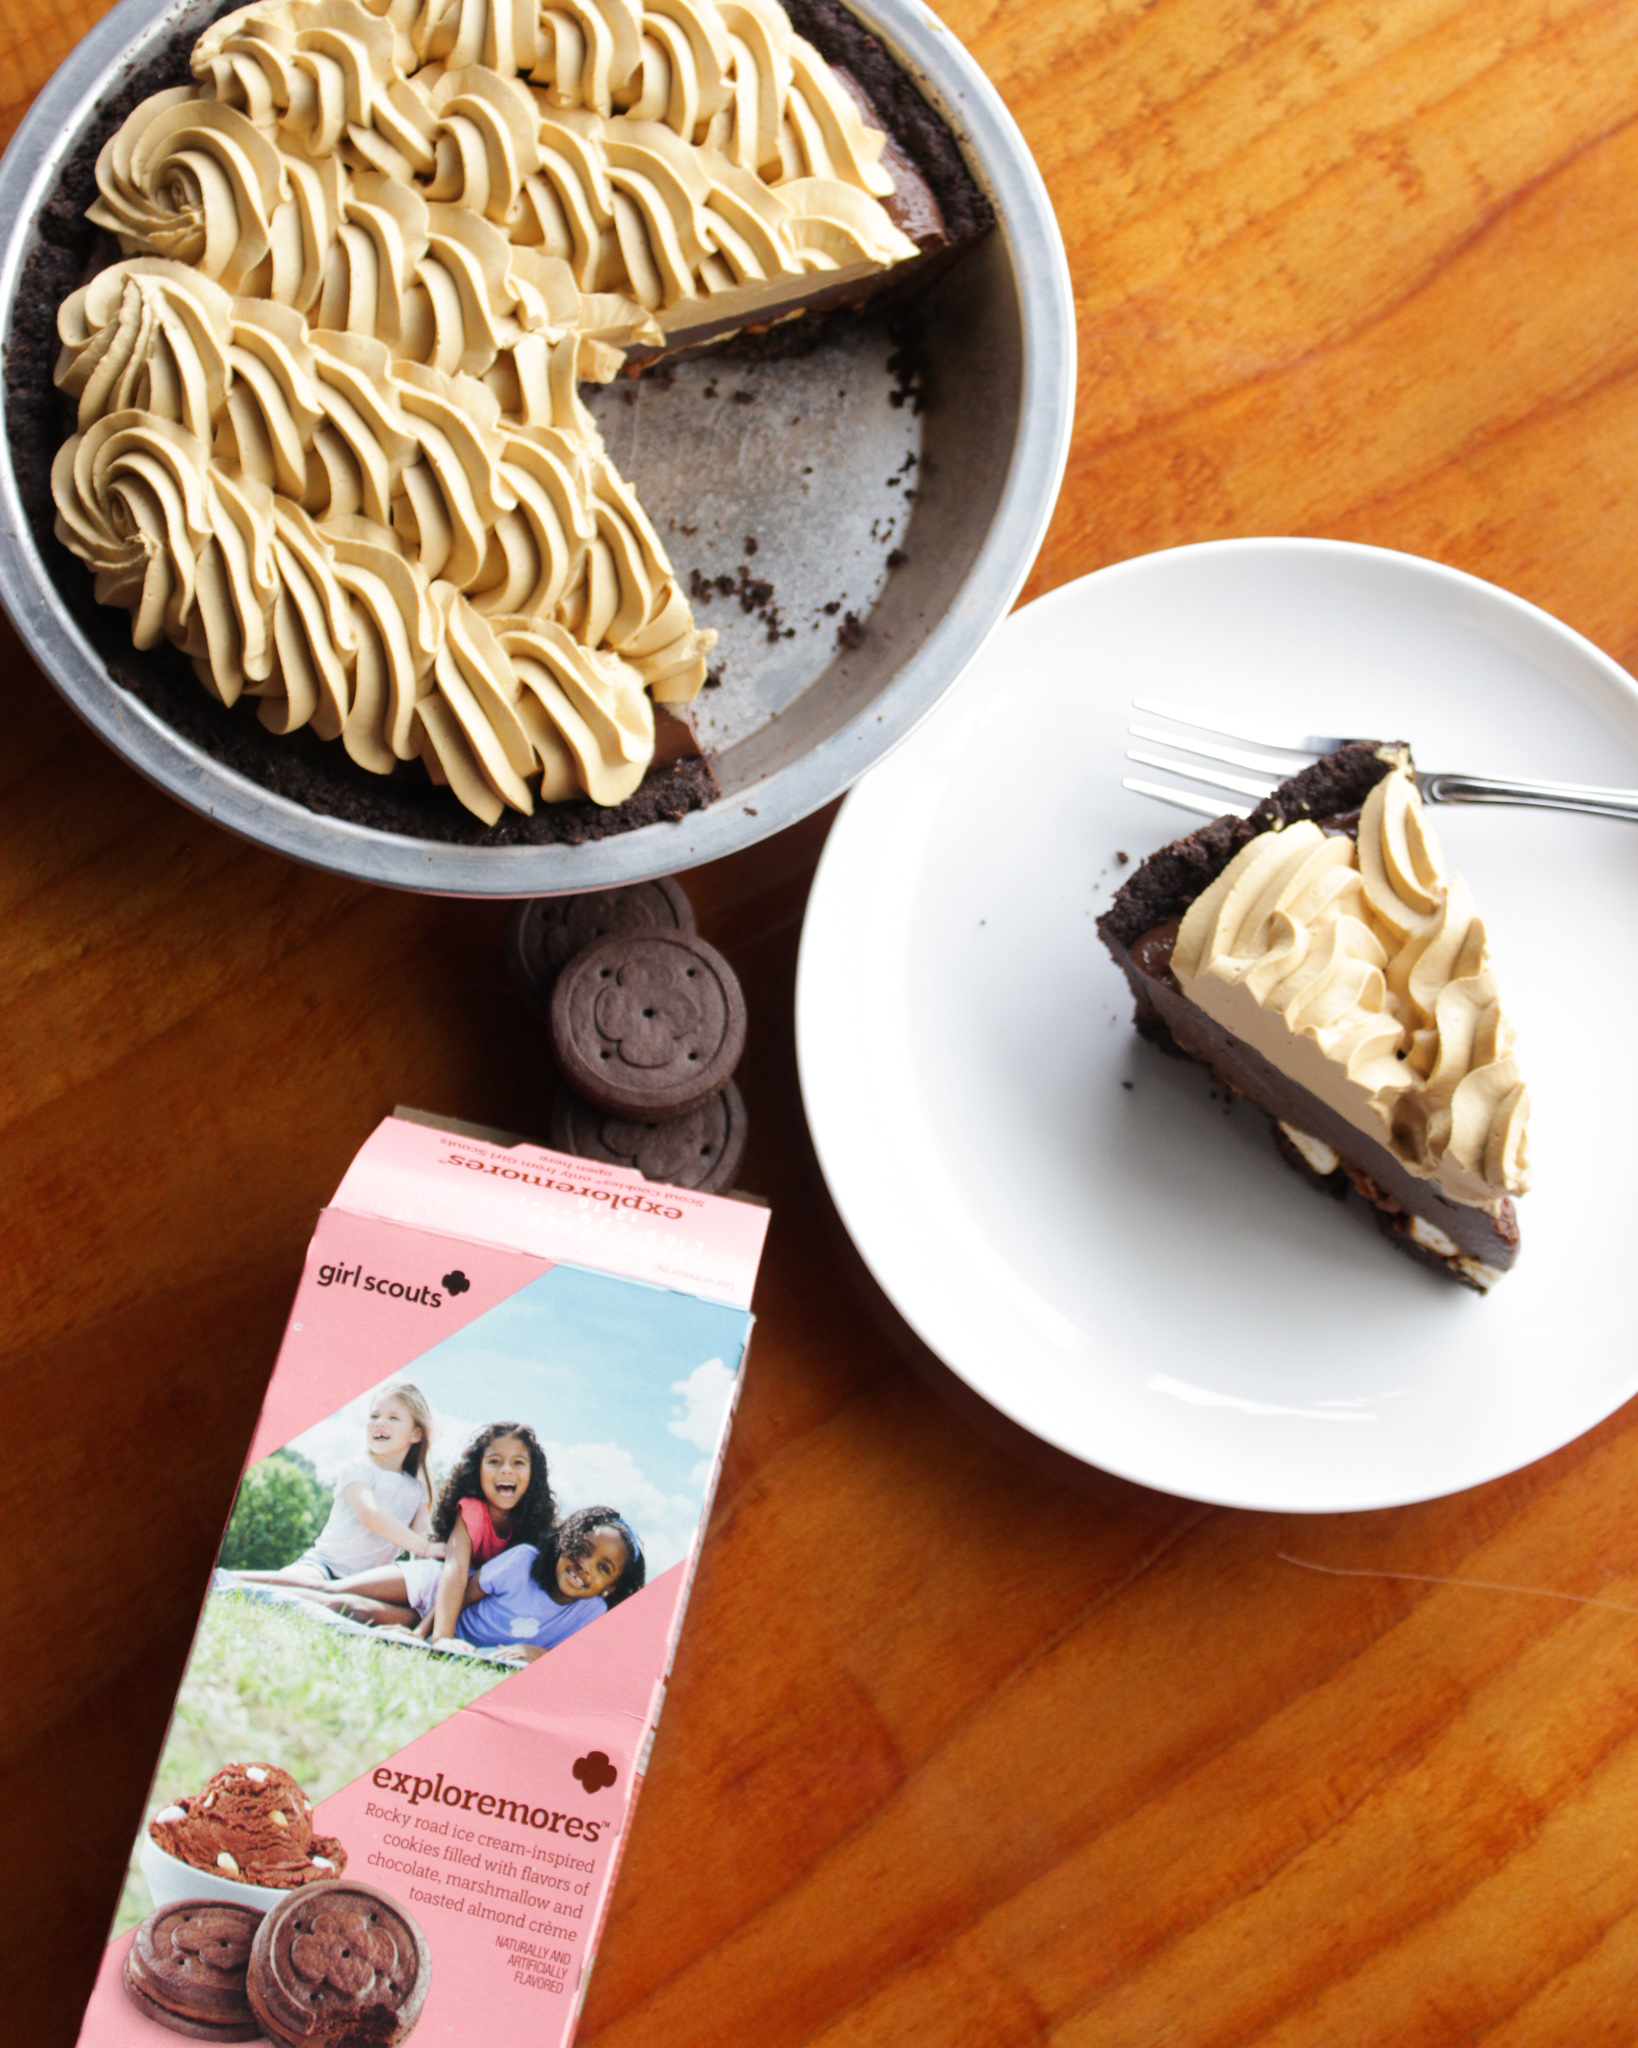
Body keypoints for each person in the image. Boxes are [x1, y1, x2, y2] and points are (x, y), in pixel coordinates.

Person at [286, 1424, 555, 1634]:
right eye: (494, 1461)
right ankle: (246, 1582)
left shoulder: (534, 1528)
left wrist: (423, 1631)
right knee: (332, 1590)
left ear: (533, 1474)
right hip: (431, 1582)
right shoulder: (471, 1509)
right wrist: (442, 1637)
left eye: (518, 1462)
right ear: (478, 1470)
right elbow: (455, 1571)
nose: (506, 1470)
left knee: (354, 1610)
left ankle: (263, 1592)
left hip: (444, 1610)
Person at [236, 1383, 440, 1587]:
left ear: (416, 1434)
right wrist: (424, 1548)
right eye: (374, 1416)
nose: (380, 1422)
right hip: (323, 1566)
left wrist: (439, 1548)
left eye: (393, 1418)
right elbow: (371, 1515)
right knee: (297, 1585)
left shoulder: (417, 1489)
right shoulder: (358, 1469)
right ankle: (227, 1579)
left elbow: (423, 1532)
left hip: (364, 1583)